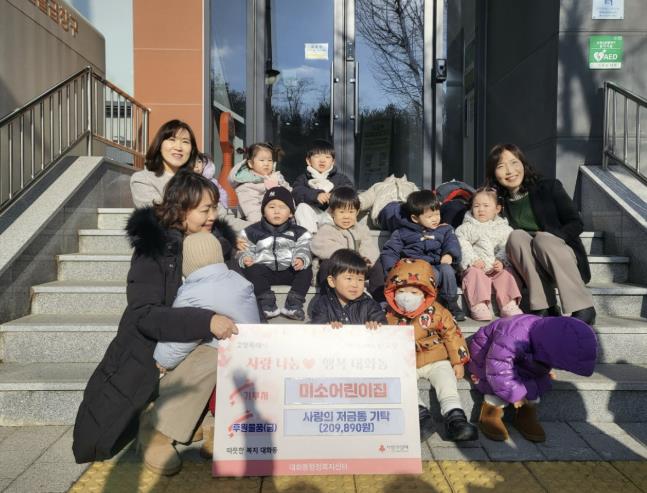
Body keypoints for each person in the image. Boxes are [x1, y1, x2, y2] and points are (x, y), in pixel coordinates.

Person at [72, 171, 239, 476]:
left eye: (215, 208)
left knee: (228, 346)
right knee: (210, 354)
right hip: (153, 351)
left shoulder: (219, 246)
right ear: (182, 209)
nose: (213, 216)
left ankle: (204, 420)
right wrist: (206, 321)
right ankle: (156, 429)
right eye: (205, 210)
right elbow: (144, 313)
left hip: (197, 341)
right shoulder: (154, 250)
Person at [485, 143, 596, 325]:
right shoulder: (498, 203)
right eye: (501, 166)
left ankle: (583, 307)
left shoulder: (549, 187)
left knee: (543, 239)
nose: (510, 171)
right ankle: (545, 306)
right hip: (531, 267)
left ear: (523, 163)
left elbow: (576, 223)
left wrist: (552, 238)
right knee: (516, 236)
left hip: (562, 260)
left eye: (514, 163)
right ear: (494, 173)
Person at [384, 259, 478, 442]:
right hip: (406, 362)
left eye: (414, 292)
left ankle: (455, 418)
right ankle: (420, 416)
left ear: (425, 292)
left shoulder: (438, 311)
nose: (406, 297)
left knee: (446, 382)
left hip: (436, 359)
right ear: (392, 291)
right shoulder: (387, 314)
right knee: (402, 384)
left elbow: (452, 334)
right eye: (401, 291)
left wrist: (458, 362)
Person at [468, 314, 597, 442]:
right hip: (486, 354)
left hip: (520, 357)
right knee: (497, 381)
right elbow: (498, 366)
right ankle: (491, 411)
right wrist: (515, 395)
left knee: (537, 380)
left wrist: (549, 367)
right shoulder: (513, 337)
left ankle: (526, 412)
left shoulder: (544, 336)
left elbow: (549, 352)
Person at [380, 190, 466, 321]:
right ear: (415, 218)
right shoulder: (403, 232)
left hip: (438, 265)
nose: (435, 219)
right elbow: (390, 251)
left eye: (437, 214)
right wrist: (392, 270)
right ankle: (427, 303)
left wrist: (449, 254)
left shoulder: (444, 229)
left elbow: (452, 243)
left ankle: (451, 302)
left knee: (447, 270)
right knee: (432, 274)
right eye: (430, 216)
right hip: (416, 268)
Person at [238, 186, 313, 321]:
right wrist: (246, 257)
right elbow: (244, 248)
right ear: (263, 211)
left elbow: (304, 247)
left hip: (290, 270)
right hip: (264, 273)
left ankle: (294, 304)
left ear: (291, 213)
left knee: (306, 269)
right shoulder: (252, 231)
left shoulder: (299, 232)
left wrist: (301, 258)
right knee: (251, 269)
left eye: (282, 207)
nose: (276, 211)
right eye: (271, 207)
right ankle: (267, 303)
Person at [455, 187, 523, 320]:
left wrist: (502, 260)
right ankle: (479, 304)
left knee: (507, 274)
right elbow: (462, 245)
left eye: (486, 206)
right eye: (476, 206)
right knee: (473, 274)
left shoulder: (505, 229)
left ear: (497, 209)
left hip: (497, 268)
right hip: (477, 267)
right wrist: (472, 260)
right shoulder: (466, 228)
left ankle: (508, 303)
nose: (481, 209)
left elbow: (507, 245)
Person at [310, 187, 381, 289]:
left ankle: (378, 295)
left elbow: (369, 247)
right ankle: (327, 295)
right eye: (342, 212)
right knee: (326, 264)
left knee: (377, 265)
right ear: (332, 212)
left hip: (357, 268)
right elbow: (318, 245)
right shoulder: (327, 229)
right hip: (338, 269)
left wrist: (365, 259)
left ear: (357, 212)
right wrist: (348, 257)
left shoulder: (361, 230)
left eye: (351, 212)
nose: (346, 216)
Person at [130, 119, 198, 208]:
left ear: (192, 149)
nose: (178, 147)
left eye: (185, 141)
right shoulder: (142, 179)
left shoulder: (197, 182)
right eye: (172, 139)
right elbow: (159, 213)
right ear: (159, 145)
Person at [309, 249, 386, 327]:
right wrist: (327, 327)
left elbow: (383, 325)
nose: (355, 285)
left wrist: (376, 326)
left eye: (360, 279)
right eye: (349, 278)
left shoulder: (370, 305)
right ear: (332, 281)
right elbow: (317, 327)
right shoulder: (323, 305)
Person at [292, 139, 353, 233]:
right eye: (317, 156)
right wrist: (316, 195)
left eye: (327, 157)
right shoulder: (303, 178)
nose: (322, 160)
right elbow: (296, 192)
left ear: (333, 162)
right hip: (313, 215)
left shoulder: (340, 178)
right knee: (302, 207)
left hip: (332, 215)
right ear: (308, 161)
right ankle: (308, 237)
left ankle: (333, 235)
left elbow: (349, 190)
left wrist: (333, 196)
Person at [229, 142, 291, 223]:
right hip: (259, 223)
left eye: (270, 160)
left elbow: (290, 195)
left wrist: (279, 186)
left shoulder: (276, 177)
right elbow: (252, 211)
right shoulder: (246, 186)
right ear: (250, 164)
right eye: (262, 160)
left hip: (283, 219)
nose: (266, 163)